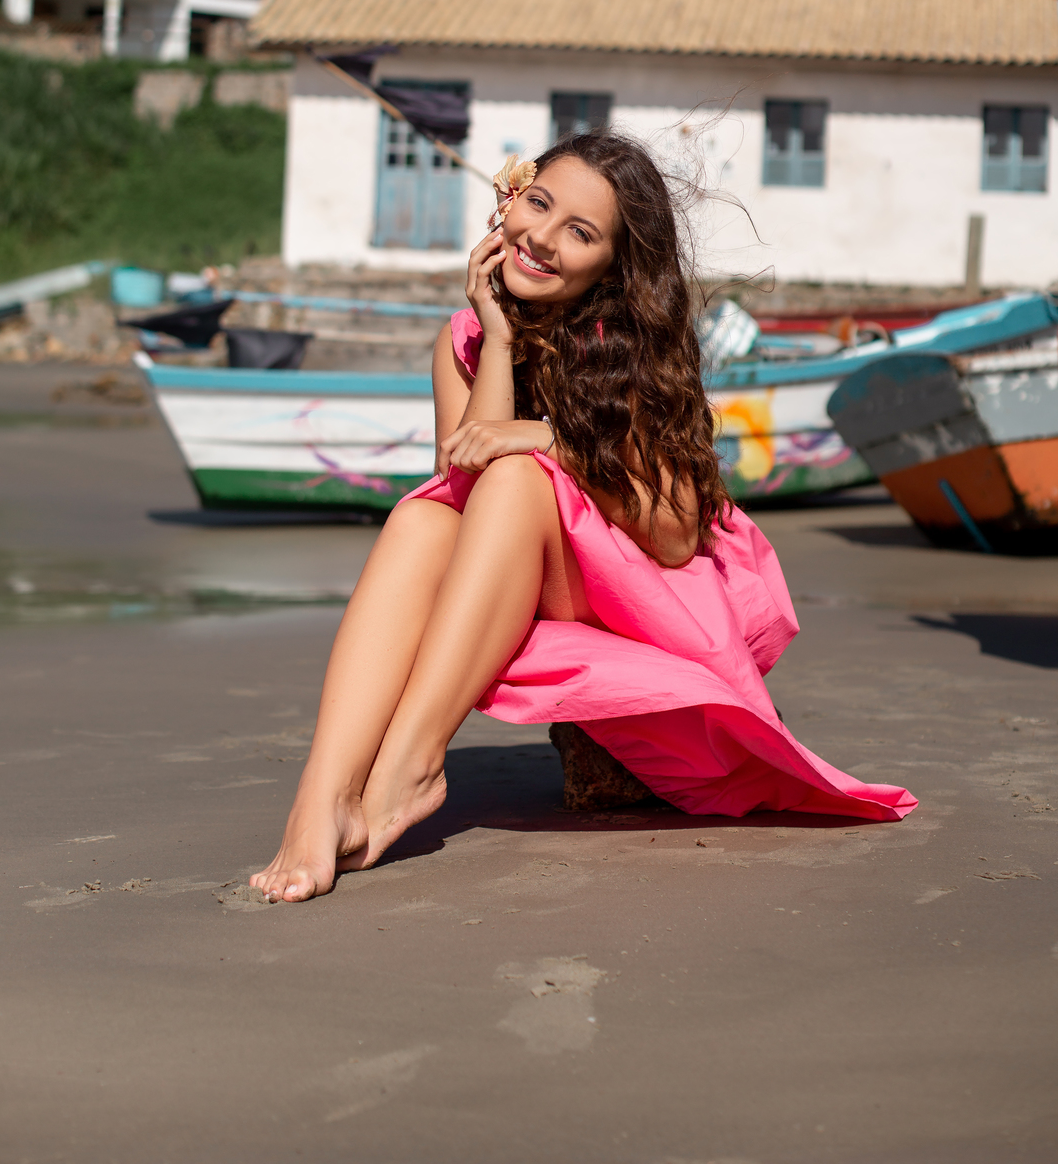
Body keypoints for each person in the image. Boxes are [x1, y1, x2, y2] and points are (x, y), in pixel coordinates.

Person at [251, 132, 915, 903]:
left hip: (647, 595)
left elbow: (671, 535)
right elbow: (458, 483)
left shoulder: (626, 348)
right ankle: (321, 798)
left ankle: (412, 765)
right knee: (418, 522)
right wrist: (496, 339)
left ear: (611, 266)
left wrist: (545, 440)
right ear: (510, 198)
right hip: (519, 571)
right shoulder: (463, 338)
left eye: (581, 231)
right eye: (539, 203)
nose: (542, 237)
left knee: (516, 479)